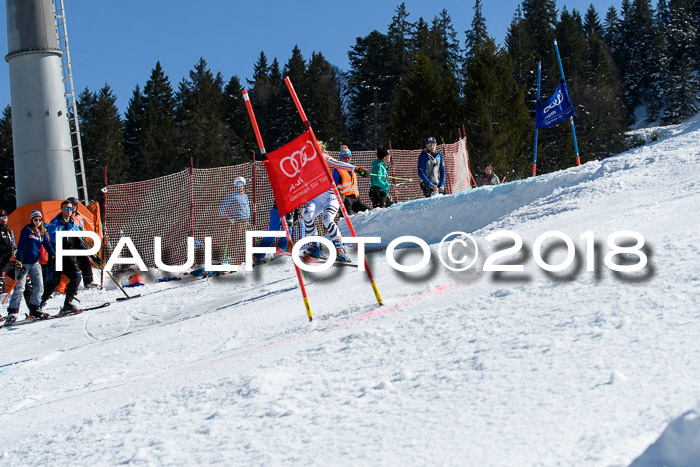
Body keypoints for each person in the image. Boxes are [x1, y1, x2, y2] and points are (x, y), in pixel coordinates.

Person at [303, 141, 367, 262]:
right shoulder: (305, 161)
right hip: (316, 196)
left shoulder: (322, 156)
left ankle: (339, 249)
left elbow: (338, 163)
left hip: (330, 196)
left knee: (327, 219)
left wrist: (357, 169)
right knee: (307, 214)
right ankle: (315, 246)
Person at [5, 210, 55, 324]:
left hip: (35, 263)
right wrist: (19, 260)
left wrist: (52, 254)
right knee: (20, 288)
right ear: (32, 220)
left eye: (39, 220)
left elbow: (46, 243)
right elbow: (21, 245)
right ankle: (12, 312)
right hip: (24, 263)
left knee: (39, 286)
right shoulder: (27, 230)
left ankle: (35, 308)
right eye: (35, 220)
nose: (37, 222)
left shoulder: (41, 232)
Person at [41, 200, 83, 314]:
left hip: (68, 255)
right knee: (53, 282)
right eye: (66, 208)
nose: (69, 211)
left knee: (76, 276)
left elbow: (78, 240)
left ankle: (68, 303)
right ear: (61, 209)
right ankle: (39, 304)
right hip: (58, 255)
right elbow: (55, 239)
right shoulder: (55, 222)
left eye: (70, 208)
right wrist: (66, 230)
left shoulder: (73, 222)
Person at [219, 176, 251, 264]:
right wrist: (227, 217)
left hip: (245, 221)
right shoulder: (231, 195)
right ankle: (229, 258)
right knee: (235, 239)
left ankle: (240, 258)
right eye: (238, 184)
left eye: (242, 184)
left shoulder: (245, 196)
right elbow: (222, 206)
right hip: (237, 221)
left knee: (244, 240)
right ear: (235, 185)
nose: (240, 186)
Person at [67, 196, 96, 288]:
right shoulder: (66, 216)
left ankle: (88, 282)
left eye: (75, 205)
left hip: (79, 241)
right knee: (69, 263)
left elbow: (81, 228)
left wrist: (83, 238)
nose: (74, 207)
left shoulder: (79, 216)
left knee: (85, 261)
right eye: (72, 205)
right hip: (69, 241)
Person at [332, 146, 369, 215]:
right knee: (345, 218)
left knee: (368, 212)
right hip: (345, 198)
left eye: (348, 157)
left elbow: (362, 175)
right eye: (344, 158)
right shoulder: (338, 170)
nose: (346, 160)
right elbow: (332, 185)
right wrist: (339, 195)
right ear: (341, 159)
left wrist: (365, 172)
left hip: (356, 198)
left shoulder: (353, 170)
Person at [0, 209, 15, 277]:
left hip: (8, 259)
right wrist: (9, 248)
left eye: (5, 217)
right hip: (1, 260)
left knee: (22, 274)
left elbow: (12, 243)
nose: (3, 220)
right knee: (1, 282)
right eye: (1, 218)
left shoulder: (9, 231)